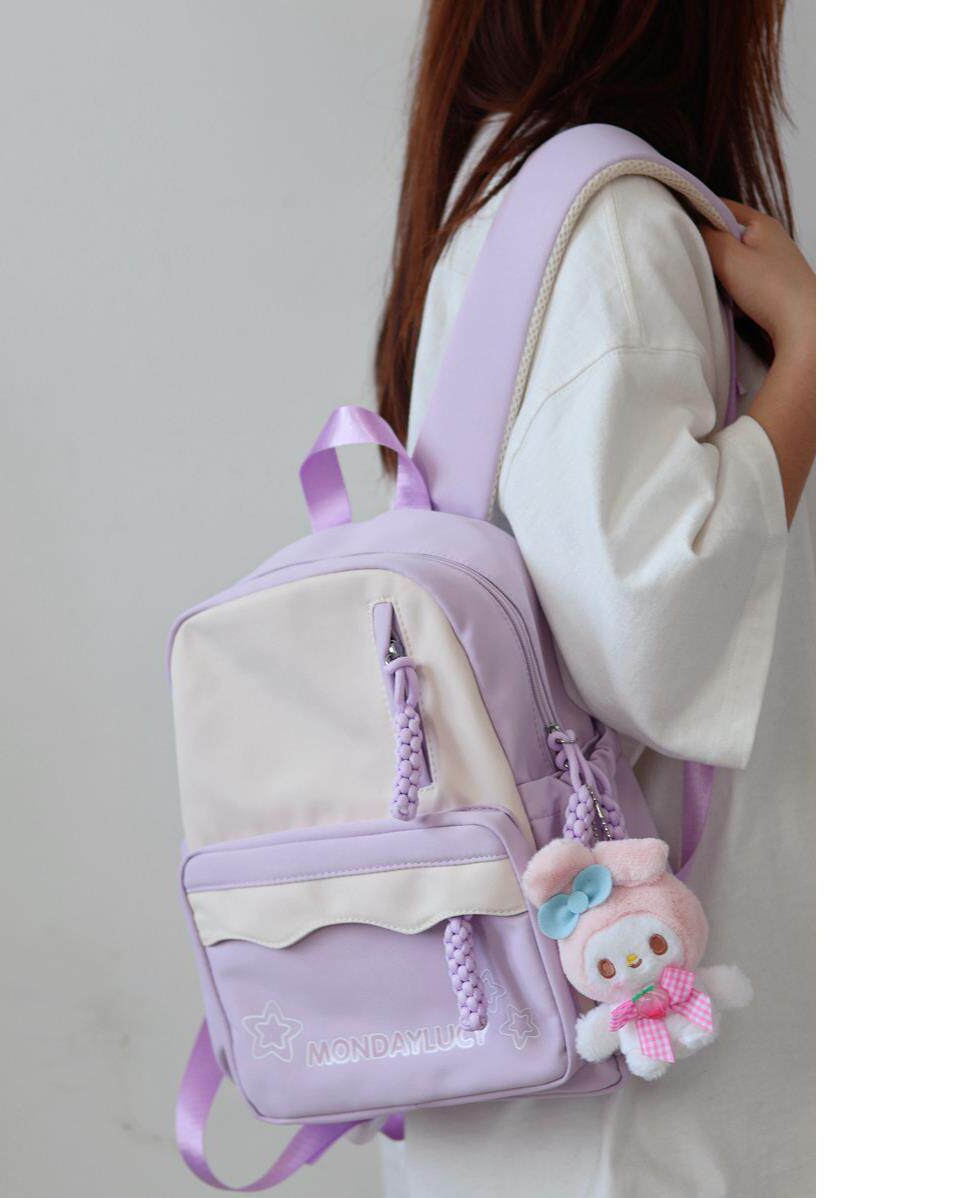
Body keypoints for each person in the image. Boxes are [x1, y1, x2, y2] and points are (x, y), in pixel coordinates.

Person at [374, 3, 814, 1195]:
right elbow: (652, 631)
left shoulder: (513, 207)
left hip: (561, 1052)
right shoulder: (609, 231)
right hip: (647, 1098)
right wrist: (820, 356)